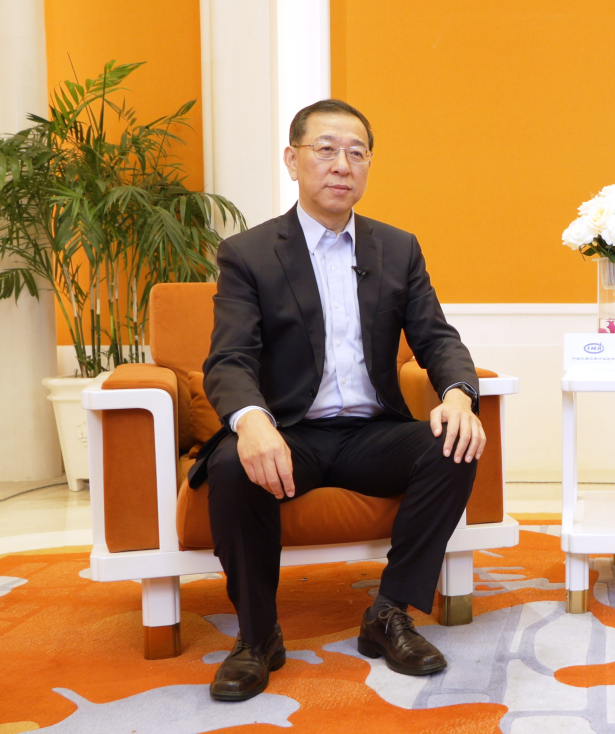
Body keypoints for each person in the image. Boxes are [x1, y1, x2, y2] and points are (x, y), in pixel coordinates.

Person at [188, 99, 484, 701]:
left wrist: (458, 395)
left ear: (369, 165)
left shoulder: (397, 248)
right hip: (289, 432)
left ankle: (390, 612)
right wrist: (252, 422)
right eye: (325, 149)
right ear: (292, 159)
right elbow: (230, 358)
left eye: (356, 152)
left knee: (454, 446)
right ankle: (257, 636)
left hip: (371, 433)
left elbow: (436, 338)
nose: (341, 165)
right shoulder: (249, 254)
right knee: (232, 464)